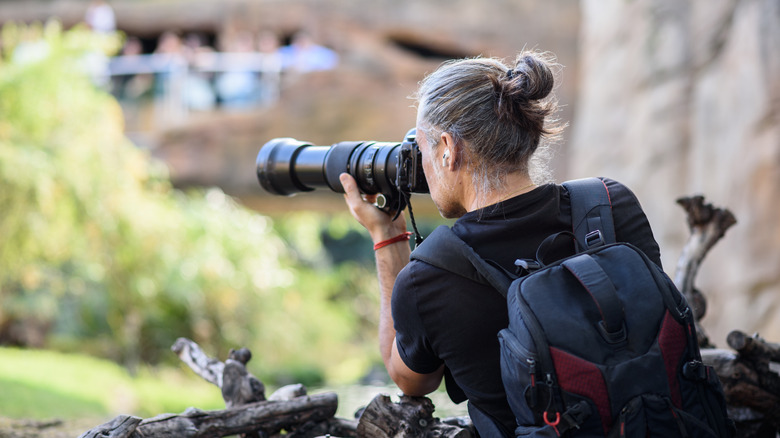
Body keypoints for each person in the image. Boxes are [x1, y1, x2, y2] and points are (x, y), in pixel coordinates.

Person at [339, 51, 662, 437]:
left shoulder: (428, 279)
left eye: (421, 149)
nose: (420, 164)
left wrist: (388, 238)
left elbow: (410, 380)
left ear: (447, 149)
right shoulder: (610, 206)